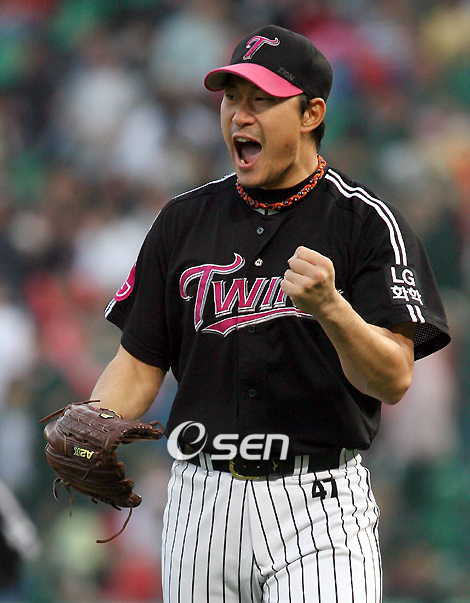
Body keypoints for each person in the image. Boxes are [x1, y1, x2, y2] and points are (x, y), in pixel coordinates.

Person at [91, 25, 450, 602]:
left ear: (311, 113)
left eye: (261, 100)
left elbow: (393, 378)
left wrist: (333, 310)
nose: (240, 115)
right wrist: (95, 422)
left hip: (318, 505)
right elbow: (137, 363)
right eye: (232, 98)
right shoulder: (183, 221)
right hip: (201, 502)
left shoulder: (365, 223)